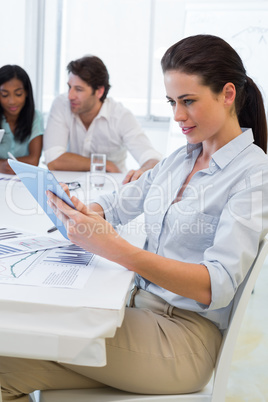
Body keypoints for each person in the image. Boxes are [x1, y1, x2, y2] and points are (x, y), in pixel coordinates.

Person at [1, 34, 268, 400]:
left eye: (188, 101)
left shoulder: (254, 174)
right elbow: (119, 203)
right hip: (137, 313)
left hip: (181, 341)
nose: (177, 116)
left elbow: (215, 284)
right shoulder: (182, 157)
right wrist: (86, 211)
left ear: (227, 94)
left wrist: (114, 247)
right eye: (172, 101)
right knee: (6, 364)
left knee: (15, 347)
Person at [43, 55, 161, 184]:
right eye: (69, 87)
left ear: (99, 91)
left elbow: (152, 158)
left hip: (112, 189)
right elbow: (53, 160)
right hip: (73, 188)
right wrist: (104, 164)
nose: (70, 95)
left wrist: (142, 171)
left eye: (78, 89)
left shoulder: (120, 116)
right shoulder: (61, 104)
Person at [0, 65, 44, 174]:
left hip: (23, 181)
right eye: (4, 95)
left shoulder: (35, 117)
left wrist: (5, 164)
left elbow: (34, 160)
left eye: (18, 94)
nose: (12, 101)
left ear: (26, 93)